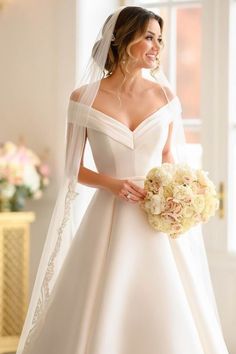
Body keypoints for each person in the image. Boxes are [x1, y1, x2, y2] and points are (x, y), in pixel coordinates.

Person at [16, 6, 229, 354]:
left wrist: (178, 195)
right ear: (124, 37)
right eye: (148, 37)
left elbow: (169, 160)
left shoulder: (165, 97)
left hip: (155, 217)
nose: (157, 46)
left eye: (160, 39)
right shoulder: (83, 97)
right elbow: (74, 169)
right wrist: (112, 184)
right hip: (107, 218)